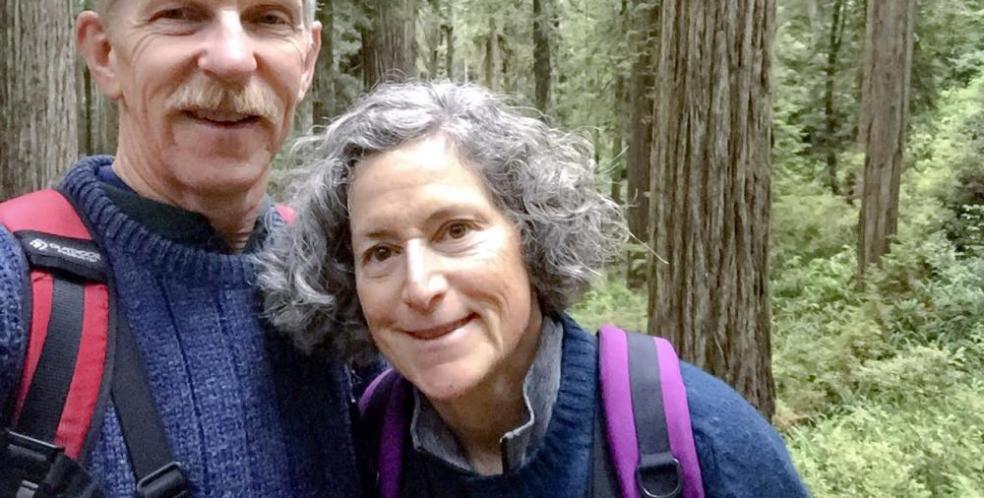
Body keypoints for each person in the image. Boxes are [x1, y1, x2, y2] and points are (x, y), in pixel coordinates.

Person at [0, 0, 361, 497]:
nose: (231, 59)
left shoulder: (344, 288)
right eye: (180, 13)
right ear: (104, 53)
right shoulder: (19, 289)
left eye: (269, 18)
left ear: (306, 60)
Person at [259, 81, 811, 497]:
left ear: (530, 235)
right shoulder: (374, 451)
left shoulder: (702, 439)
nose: (421, 286)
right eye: (380, 253)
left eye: (455, 231)